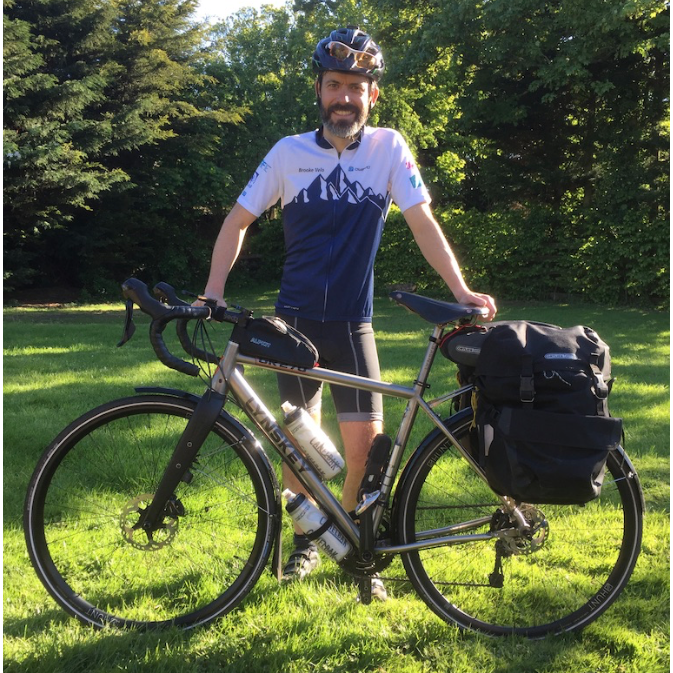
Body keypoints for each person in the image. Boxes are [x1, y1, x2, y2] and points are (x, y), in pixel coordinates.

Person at [198, 26, 497, 599]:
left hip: (353, 324)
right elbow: (237, 222)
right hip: (294, 325)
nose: (345, 97)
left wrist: (461, 289)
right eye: (335, 84)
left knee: (365, 452)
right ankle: (306, 544)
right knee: (297, 448)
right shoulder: (288, 153)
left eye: (356, 88)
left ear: (372, 96)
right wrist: (213, 291)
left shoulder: (389, 149)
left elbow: (422, 222)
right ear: (319, 89)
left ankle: (360, 551)